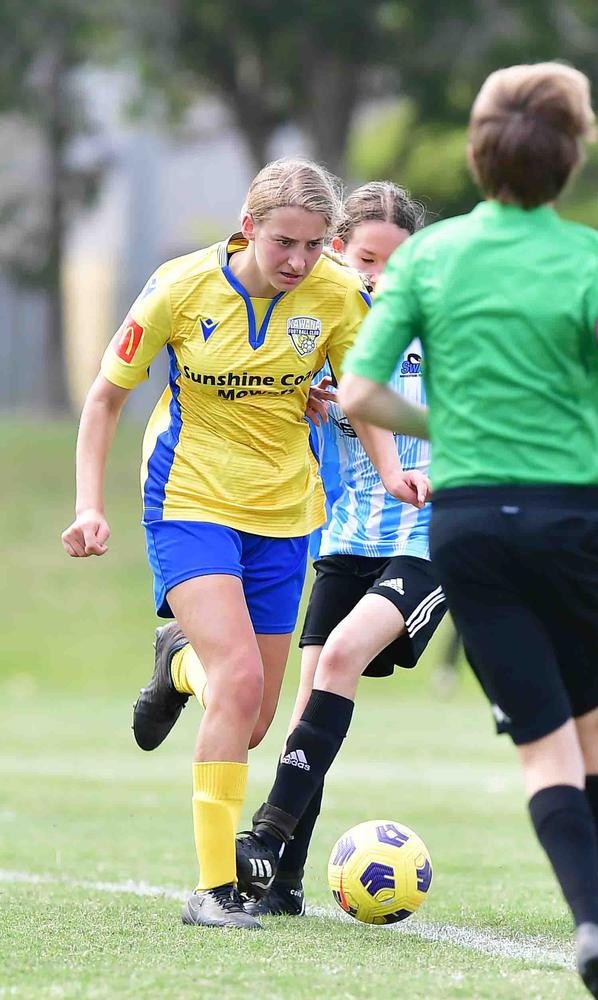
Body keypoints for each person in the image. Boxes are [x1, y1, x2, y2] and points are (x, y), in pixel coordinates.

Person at [339, 64, 598, 999]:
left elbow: (359, 392)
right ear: (574, 159)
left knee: (553, 738)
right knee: (596, 722)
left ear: (477, 157)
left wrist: (454, 432)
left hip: (468, 530)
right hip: (574, 520)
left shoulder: (429, 262)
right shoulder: (597, 261)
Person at [61, 157, 377, 931]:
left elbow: (362, 396)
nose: (300, 262)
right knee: (237, 685)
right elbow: (105, 398)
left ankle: (178, 661)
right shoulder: (179, 287)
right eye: (284, 244)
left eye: (314, 245)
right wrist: (87, 506)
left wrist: (399, 467)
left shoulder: (336, 295)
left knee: (255, 715)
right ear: (247, 227)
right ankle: (214, 891)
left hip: (285, 512)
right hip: (188, 499)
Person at [237, 182, 447, 916]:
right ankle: (282, 883)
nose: (379, 277)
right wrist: (304, 402)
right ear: (336, 252)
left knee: (339, 656)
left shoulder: (441, 335)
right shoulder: (316, 334)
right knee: (308, 709)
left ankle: (264, 830)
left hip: (427, 538)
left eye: (397, 262)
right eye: (365, 258)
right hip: (343, 541)